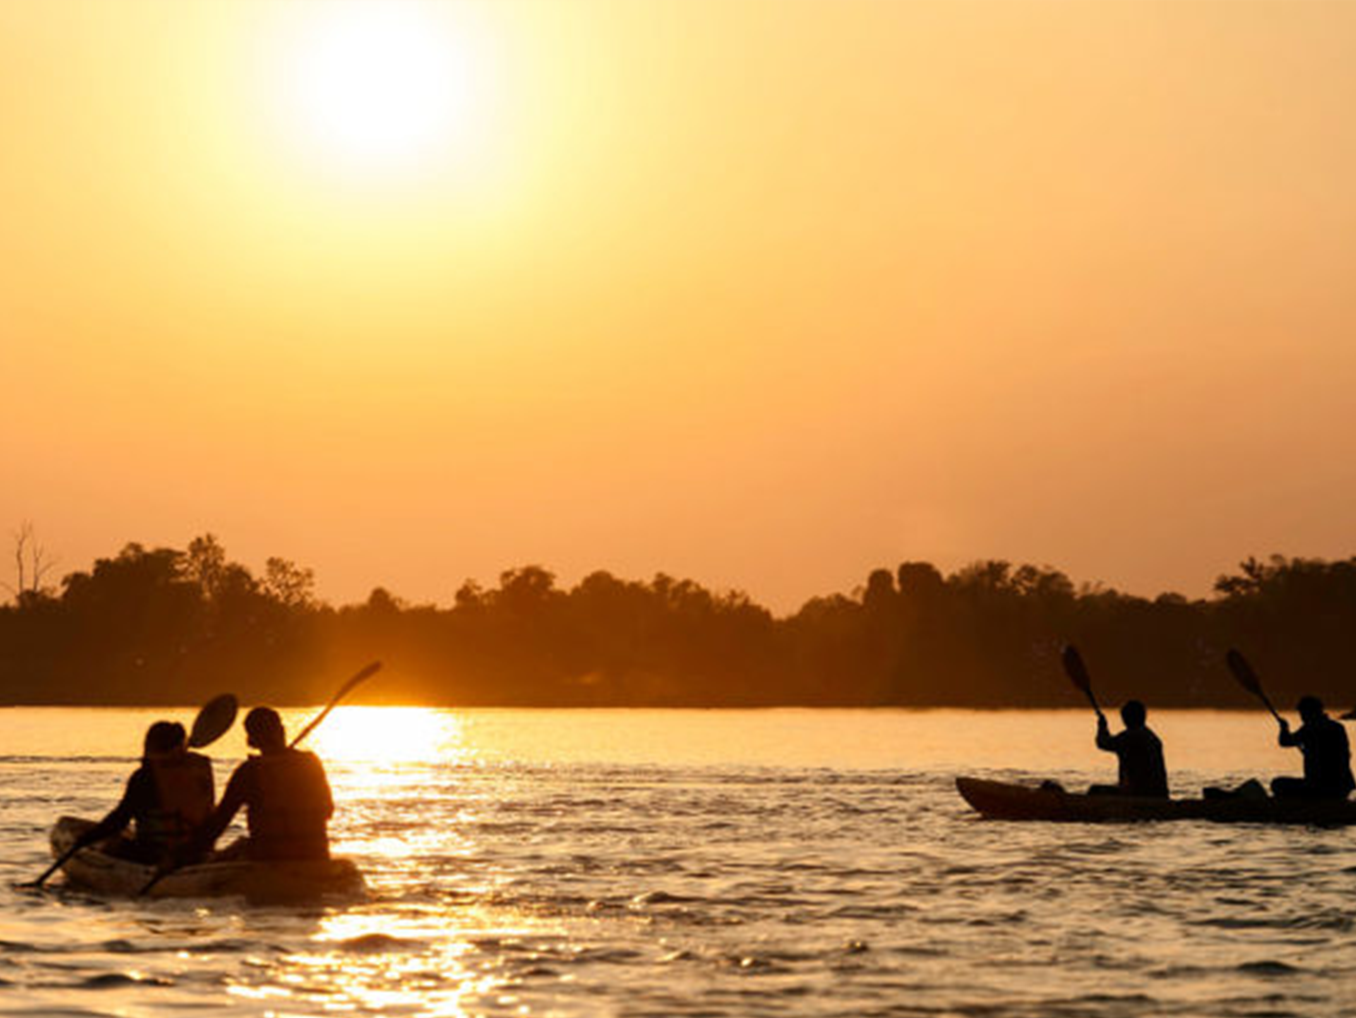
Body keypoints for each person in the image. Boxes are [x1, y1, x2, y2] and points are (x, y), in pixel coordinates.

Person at [190, 706, 334, 861]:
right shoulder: (310, 763)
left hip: (269, 856)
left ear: (251, 740)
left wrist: (189, 852)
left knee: (224, 854)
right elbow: (328, 810)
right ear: (281, 731)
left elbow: (220, 821)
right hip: (315, 853)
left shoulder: (248, 772)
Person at [72, 720, 215, 864]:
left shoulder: (144, 777)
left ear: (151, 746)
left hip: (154, 855)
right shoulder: (199, 771)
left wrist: (86, 839)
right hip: (198, 853)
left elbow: (120, 819)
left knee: (111, 845)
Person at [1272, 695, 1354, 800]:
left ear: (1310, 712)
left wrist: (1284, 728)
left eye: (1303, 713)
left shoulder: (1310, 728)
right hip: (1343, 788)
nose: (1301, 717)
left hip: (1319, 787)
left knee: (1277, 784)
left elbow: (1285, 742)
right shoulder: (1338, 727)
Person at [1090, 700, 1169, 798]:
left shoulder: (1129, 737)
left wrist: (1102, 726)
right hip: (1159, 794)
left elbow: (1103, 742)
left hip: (1138, 795)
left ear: (1126, 718)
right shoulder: (1152, 738)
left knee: (1094, 790)